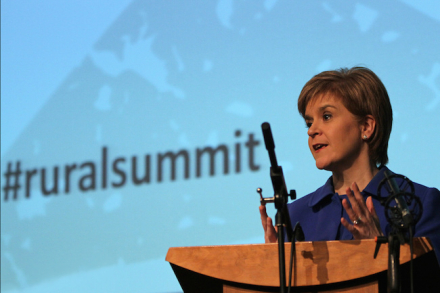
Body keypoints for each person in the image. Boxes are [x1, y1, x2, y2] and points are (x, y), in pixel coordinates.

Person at [259, 67, 440, 259]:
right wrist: (274, 273)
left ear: (366, 127)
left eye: (326, 116)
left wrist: (380, 252)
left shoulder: (419, 203)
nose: (311, 131)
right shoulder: (295, 216)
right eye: (309, 122)